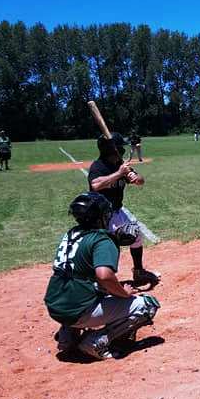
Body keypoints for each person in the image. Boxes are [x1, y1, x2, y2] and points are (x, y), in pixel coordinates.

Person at [44, 192, 160, 360]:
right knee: (147, 305)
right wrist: (123, 292)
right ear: (102, 215)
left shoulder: (71, 234)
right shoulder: (102, 239)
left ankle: (67, 337)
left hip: (56, 305)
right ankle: (94, 343)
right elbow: (104, 276)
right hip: (78, 310)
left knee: (84, 286)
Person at [87, 132, 159, 287]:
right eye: (120, 147)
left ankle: (138, 272)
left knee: (136, 234)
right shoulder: (98, 166)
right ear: (112, 149)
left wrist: (135, 177)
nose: (123, 150)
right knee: (107, 246)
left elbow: (141, 181)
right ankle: (101, 281)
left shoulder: (119, 164)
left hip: (116, 212)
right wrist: (119, 173)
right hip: (100, 216)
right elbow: (95, 185)